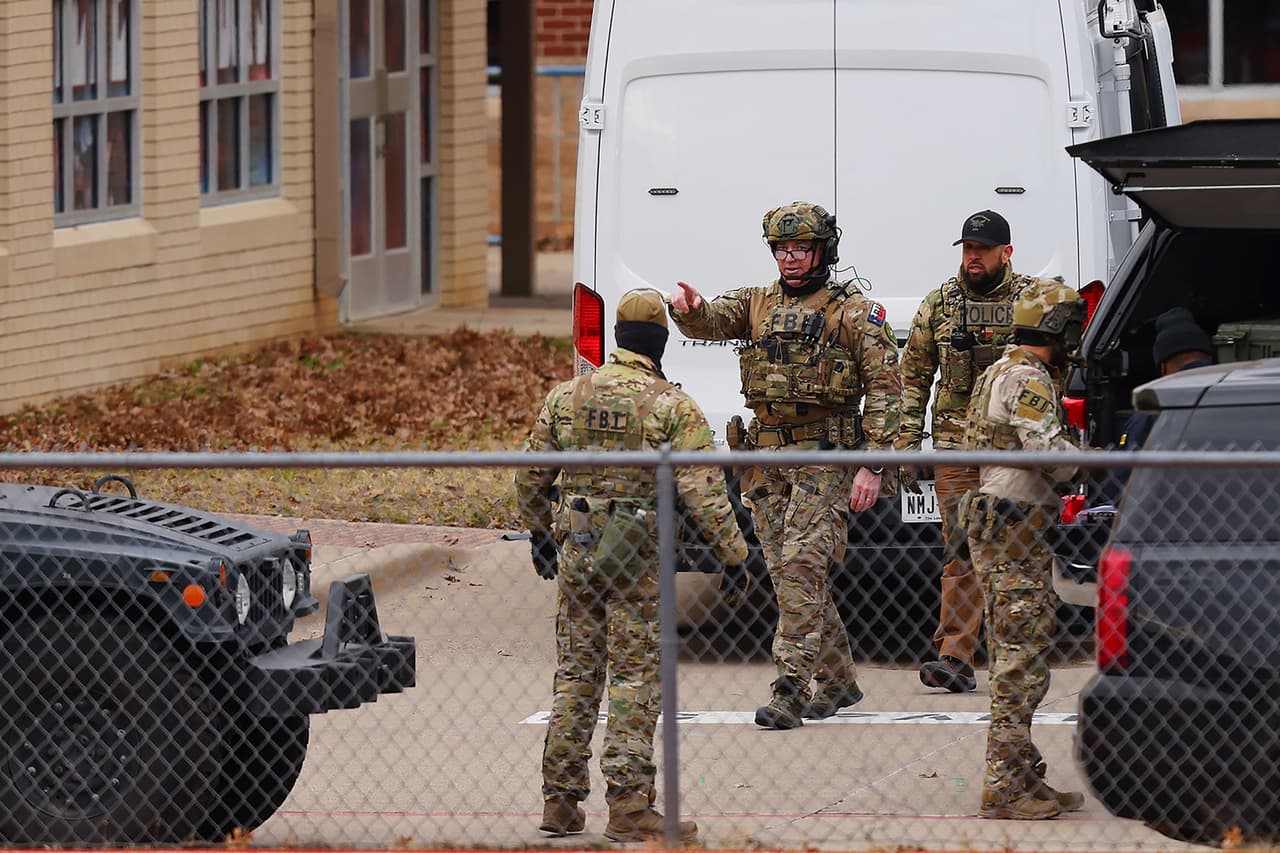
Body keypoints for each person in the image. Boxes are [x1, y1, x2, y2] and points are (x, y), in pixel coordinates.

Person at [514, 288, 749, 843]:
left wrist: (541, 532)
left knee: (575, 675)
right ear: (661, 340)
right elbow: (705, 493)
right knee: (634, 679)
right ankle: (628, 806)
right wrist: (733, 556)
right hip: (639, 561)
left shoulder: (566, 397)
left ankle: (560, 803)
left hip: (578, 552)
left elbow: (528, 476)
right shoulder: (671, 405)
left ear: (617, 338)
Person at [668, 201, 902, 730]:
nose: (791, 259)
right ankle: (839, 679)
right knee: (786, 573)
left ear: (823, 250)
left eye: (800, 249)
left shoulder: (857, 314)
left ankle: (790, 687)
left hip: (826, 458)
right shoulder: (758, 303)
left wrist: (875, 465)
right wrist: (690, 307)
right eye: (782, 250)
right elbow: (710, 321)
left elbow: (889, 393)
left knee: (800, 566)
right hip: (767, 459)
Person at [898, 210, 1046, 694]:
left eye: (981, 249)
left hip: (1010, 451)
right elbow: (914, 375)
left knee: (1010, 550)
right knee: (961, 548)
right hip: (956, 445)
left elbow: (1056, 367)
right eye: (966, 249)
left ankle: (1013, 654)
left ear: (1007, 252)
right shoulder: (941, 302)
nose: (972, 258)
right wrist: (905, 443)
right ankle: (955, 657)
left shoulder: (1031, 301)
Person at [961, 280, 1088, 820]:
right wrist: (1092, 460)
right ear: (1056, 327)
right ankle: (1003, 787)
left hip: (1002, 522)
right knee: (1020, 660)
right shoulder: (1027, 378)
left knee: (1021, 651)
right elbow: (1051, 455)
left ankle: (1022, 771)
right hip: (1013, 527)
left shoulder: (997, 369)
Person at [1119, 307, 1216, 452]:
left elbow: (1124, 472)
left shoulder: (1149, 414)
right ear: (1210, 358)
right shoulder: (1241, 400)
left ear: (1163, 368)